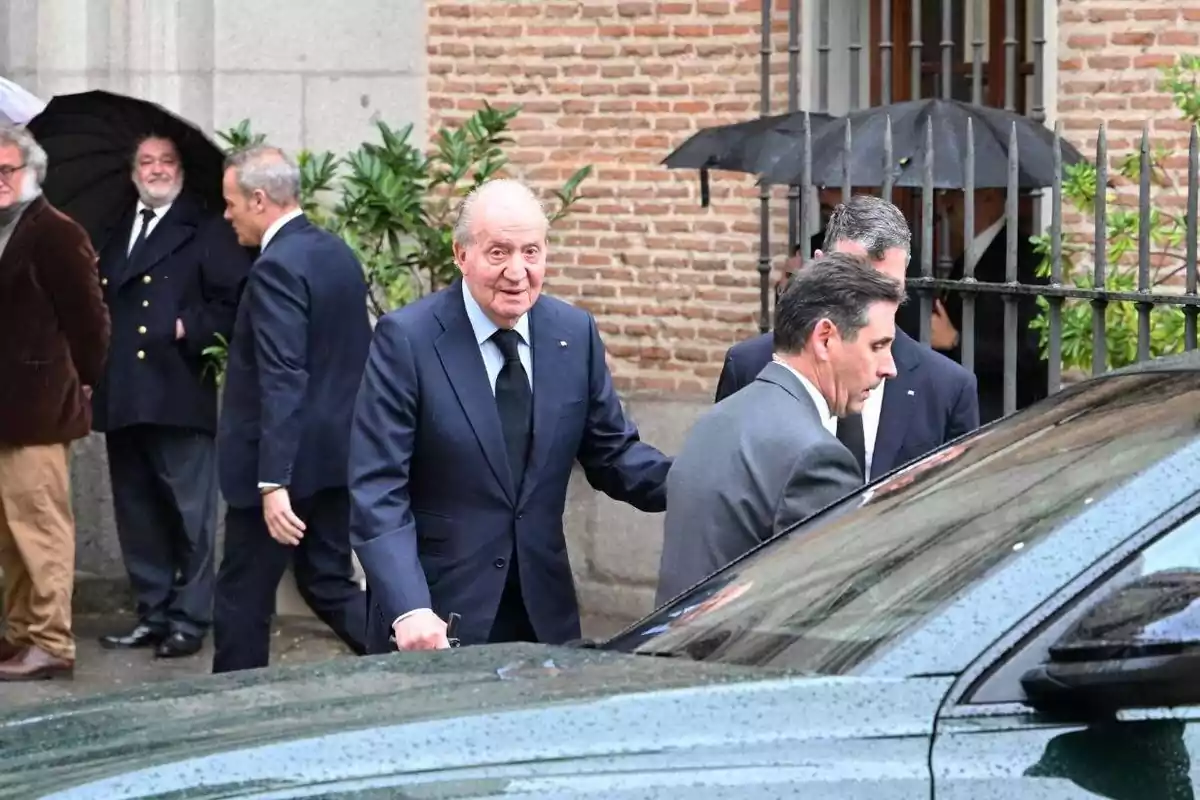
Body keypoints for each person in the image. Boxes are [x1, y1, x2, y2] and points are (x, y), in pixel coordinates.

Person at [349, 178, 671, 653]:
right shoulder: (407, 341)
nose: (517, 272)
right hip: (435, 620)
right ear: (462, 255)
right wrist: (409, 607)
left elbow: (614, 454)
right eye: (498, 252)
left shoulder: (573, 333)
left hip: (543, 616)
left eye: (531, 252)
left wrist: (704, 484)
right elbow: (377, 489)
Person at [656, 251, 902, 605]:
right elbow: (831, 608)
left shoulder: (717, 419)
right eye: (878, 346)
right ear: (825, 339)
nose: (889, 367)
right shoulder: (815, 456)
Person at [92, 134, 252, 659]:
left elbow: (238, 299)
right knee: (138, 515)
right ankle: (153, 613)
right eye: (146, 161)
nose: (156, 169)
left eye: (166, 160)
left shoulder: (207, 229)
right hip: (124, 393)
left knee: (190, 517)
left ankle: (189, 618)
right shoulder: (117, 227)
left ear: (180, 169)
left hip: (178, 389)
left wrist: (190, 327)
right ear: (133, 170)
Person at [212, 145, 370, 673]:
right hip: (334, 459)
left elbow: (284, 376)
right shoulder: (336, 252)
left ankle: (233, 715)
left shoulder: (277, 267)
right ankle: (415, 659)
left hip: (283, 468)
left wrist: (272, 482)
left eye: (231, 202)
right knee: (328, 582)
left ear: (259, 199)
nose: (227, 213)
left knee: (241, 598)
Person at [715, 194, 979, 482]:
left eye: (888, 289)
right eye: (856, 282)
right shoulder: (749, 365)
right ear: (819, 265)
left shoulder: (947, 388)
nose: (871, 302)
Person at [0, 124, 111, 680]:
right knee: (10, 531)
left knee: (41, 527)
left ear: (31, 174)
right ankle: (20, 634)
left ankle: (51, 640)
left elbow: (90, 321)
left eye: (7, 170)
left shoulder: (56, 232)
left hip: (40, 411)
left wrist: (83, 380)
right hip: (5, 412)